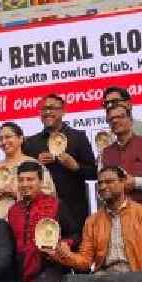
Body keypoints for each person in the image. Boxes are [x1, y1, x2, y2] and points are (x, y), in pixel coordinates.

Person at [7, 161, 76, 282]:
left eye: (30, 179)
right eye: (21, 180)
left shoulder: (56, 205)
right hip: (21, 272)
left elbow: (75, 235)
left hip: (51, 266)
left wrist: (61, 247)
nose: (25, 184)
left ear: (40, 181)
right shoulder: (13, 211)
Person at [47, 166, 142, 274]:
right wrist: (66, 255)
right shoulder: (92, 221)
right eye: (100, 183)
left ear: (123, 182)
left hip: (137, 278)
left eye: (109, 182)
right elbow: (85, 261)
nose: (103, 187)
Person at [22, 94, 97, 234]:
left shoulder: (78, 137)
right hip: (40, 213)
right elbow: (22, 177)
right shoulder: (31, 143)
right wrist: (35, 164)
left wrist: (76, 167)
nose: (47, 112)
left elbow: (93, 174)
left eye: (52, 108)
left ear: (63, 111)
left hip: (74, 213)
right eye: (43, 109)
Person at [100, 103, 142, 222]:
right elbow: (102, 189)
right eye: (111, 119)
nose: (116, 121)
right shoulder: (105, 153)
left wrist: (136, 182)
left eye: (120, 116)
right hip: (117, 221)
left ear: (131, 120)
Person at [0, 122, 55, 220]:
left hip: (26, 222)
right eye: (0, 139)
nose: (4, 142)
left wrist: (15, 193)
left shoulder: (33, 164)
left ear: (21, 139)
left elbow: (49, 195)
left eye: (8, 137)